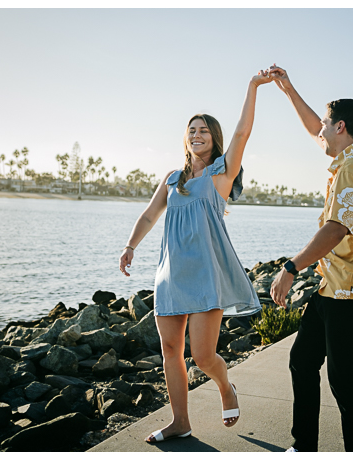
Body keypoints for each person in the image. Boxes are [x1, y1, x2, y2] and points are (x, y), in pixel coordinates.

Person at [118, 73, 268, 443]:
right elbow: (151, 214)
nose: (196, 134)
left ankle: (225, 385)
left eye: (203, 130)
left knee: (202, 356)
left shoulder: (220, 174)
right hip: (170, 275)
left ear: (214, 138)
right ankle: (180, 422)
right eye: (192, 130)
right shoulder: (172, 178)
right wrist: (130, 245)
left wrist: (252, 86)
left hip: (206, 276)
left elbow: (242, 134)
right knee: (171, 351)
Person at [265, 65, 353, 453]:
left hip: (352, 296)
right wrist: (287, 90)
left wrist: (290, 268)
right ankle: (304, 448)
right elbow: (312, 129)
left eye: (325, 123)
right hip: (332, 289)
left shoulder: (352, 169)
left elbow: (336, 229)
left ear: (341, 127)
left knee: (345, 382)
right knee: (302, 362)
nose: (319, 129)